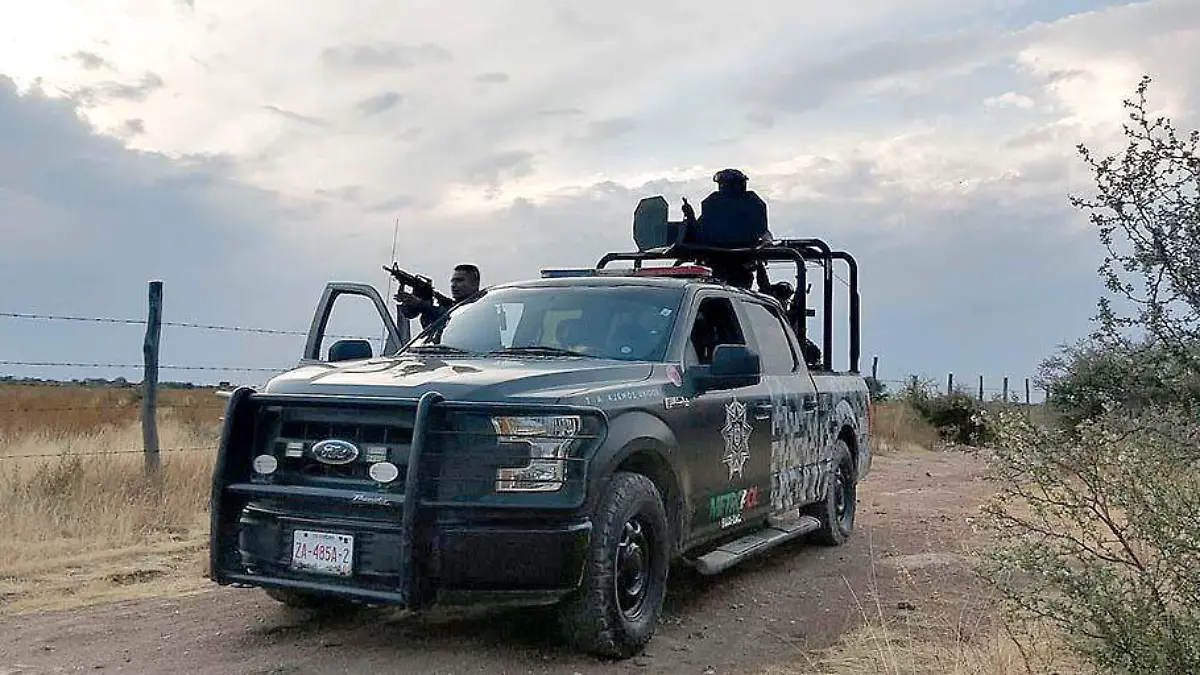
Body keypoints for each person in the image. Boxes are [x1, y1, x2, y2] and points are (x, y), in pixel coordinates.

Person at [396, 263, 481, 329]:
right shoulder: (451, 305)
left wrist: (422, 304)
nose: (453, 285)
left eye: (459, 281)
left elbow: (451, 319)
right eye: (452, 281)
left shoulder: (480, 308)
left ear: (475, 284)